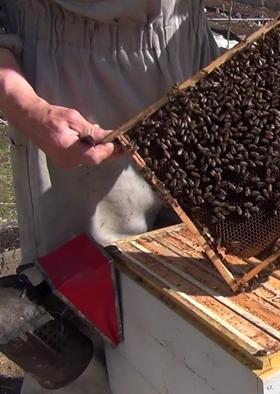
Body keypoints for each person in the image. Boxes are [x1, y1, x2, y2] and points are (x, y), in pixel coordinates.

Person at [0, 1, 220, 392]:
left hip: (187, 48)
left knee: (207, 278)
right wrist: (27, 106)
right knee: (83, 305)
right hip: (70, 67)